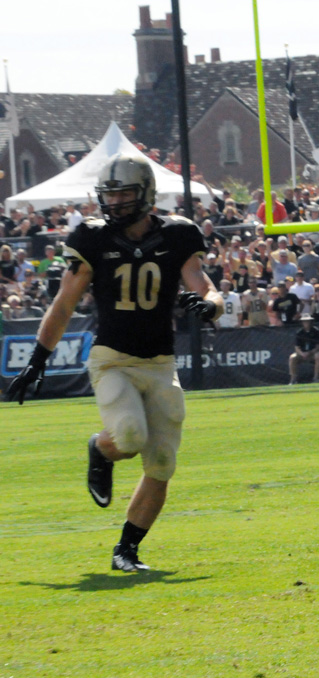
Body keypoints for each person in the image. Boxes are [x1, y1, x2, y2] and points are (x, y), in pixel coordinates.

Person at [6, 153, 223, 573]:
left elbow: (206, 286)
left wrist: (211, 306)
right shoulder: (93, 237)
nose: (116, 202)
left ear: (145, 193)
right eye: (111, 194)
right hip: (113, 360)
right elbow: (64, 303)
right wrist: (37, 359)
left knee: (162, 462)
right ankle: (99, 447)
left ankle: (127, 549)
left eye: (125, 192)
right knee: (128, 434)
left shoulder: (178, 234)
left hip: (160, 362)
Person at [288, 314, 319, 384]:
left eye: (308, 321)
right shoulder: (299, 332)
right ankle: (293, 379)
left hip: (313, 353)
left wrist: (310, 352)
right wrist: (302, 354)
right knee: (292, 357)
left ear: (311, 322)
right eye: (304, 321)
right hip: (302, 354)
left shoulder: (316, 331)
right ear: (302, 322)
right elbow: (296, 347)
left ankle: (316, 378)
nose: (306, 323)